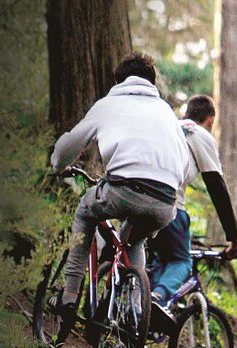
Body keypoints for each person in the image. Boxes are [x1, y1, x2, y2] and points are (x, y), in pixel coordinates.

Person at [50, 52, 189, 319]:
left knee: (85, 210)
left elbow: (71, 144)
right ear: (151, 82)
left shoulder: (109, 103)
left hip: (123, 189)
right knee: (134, 241)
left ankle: (68, 296)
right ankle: (135, 312)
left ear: (119, 81)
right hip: (166, 201)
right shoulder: (167, 112)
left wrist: (57, 165)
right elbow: (183, 165)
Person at [147, 95, 237, 320]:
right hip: (169, 205)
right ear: (210, 121)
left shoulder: (169, 125)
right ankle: (157, 299)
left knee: (158, 262)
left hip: (138, 193)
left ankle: (135, 306)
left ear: (185, 115)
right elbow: (217, 188)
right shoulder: (199, 134)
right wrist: (235, 240)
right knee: (182, 261)